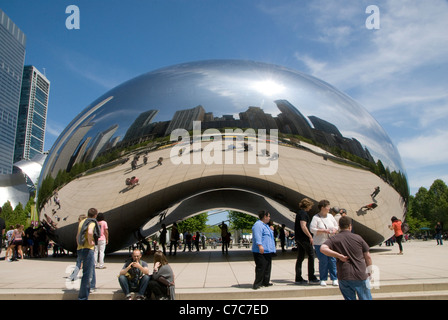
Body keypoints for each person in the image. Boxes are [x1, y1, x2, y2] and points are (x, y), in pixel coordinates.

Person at [320, 216, 373, 300]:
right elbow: (368, 257)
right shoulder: (358, 238)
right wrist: (369, 271)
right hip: (360, 274)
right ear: (350, 226)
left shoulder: (334, 238)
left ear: (339, 226)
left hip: (344, 275)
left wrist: (338, 255)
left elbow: (323, 248)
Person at [310, 199, 339, 286]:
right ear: (322, 208)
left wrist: (335, 229)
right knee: (323, 261)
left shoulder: (330, 216)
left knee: (332, 260)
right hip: (320, 242)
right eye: (327, 207)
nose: (329, 208)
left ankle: (334, 278)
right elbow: (312, 229)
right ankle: (323, 278)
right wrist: (323, 230)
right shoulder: (316, 218)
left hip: (330, 241)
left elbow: (336, 225)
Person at [294, 198, 320, 285]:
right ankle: (311, 277)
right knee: (311, 255)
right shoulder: (303, 214)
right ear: (307, 205)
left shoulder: (299, 213)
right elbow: (303, 226)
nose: (311, 208)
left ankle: (298, 277)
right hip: (304, 238)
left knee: (300, 257)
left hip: (298, 237)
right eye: (310, 206)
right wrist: (310, 236)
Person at [76, 208, 100, 300]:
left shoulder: (82, 222)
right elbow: (90, 232)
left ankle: (91, 287)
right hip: (88, 249)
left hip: (80, 248)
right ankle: (83, 297)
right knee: (87, 274)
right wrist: (90, 242)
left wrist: (78, 245)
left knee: (88, 270)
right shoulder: (92, 222)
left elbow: (78, 236)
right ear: (95, 215)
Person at [251, 210, 276, 290]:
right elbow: (257, 236)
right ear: (264, 216)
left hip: (267, 250)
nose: (269, 218)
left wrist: (271, 230)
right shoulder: (258, 225)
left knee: (267, 267)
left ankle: (265, 282)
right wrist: (260, 245)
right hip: (260, 250)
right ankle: (257, 283)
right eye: (268, 216)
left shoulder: (266, 225)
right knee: (261, 267)